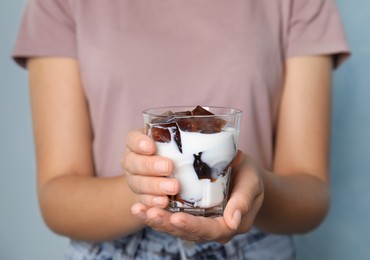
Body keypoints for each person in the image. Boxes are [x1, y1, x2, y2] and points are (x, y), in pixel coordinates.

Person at [12, 0, 350, 259]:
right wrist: (145, 190)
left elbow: (312, 194)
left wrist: (255, 188)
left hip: (255, 247)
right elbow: (57, 197)